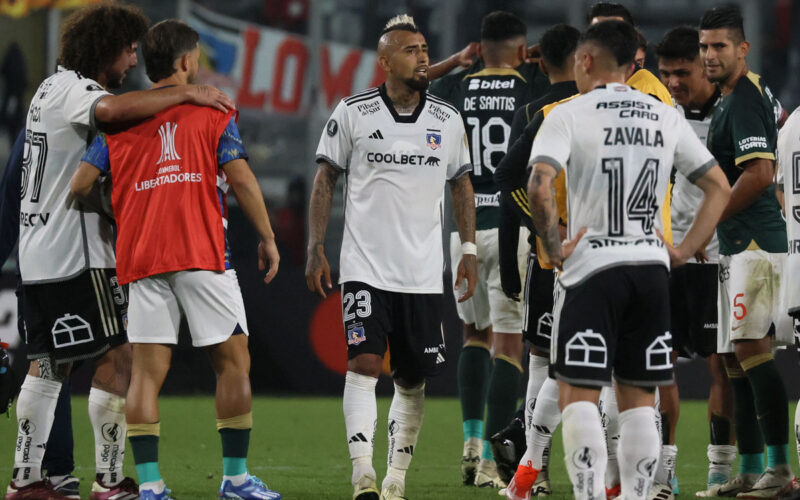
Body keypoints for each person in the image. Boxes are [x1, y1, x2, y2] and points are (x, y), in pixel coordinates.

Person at [6, 4, 235, 499]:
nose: (132, 61)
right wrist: (187, 92)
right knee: (120, 356)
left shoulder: (47, 87)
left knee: (48, 365)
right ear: (105, 48)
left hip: (39, 253)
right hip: (77, 252)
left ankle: (25, 480)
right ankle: (109, 481)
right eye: (128, 50)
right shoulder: (77, 91)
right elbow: (109, 113)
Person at [72, 20, 281, 500]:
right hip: (201, 252)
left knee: (146, 373)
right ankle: (235, 480)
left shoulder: (121, 120)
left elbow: (81, 185)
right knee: (232, 363)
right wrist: (268, 237)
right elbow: (243, 180)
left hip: (142, 256)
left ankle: (150, 487)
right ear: (187, 62)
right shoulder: (213, 111)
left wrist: (120, 207)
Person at [527, 20, 730, 500]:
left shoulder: (568, 113)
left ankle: (588, 493)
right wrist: (680, 250)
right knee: (640, 399)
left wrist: (554, 250)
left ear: (587, 60)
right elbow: (718, 186)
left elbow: (538, 184)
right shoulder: (664, 114)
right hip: (650, 271)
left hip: (593, 270)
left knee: (579, 393)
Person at [306, 14, 477, 500]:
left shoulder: (447, 120)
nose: (422, 56)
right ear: (384, 62)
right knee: (362, 363)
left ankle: (396, 478)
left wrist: (467, 249)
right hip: (365, 268)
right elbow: (325, 179)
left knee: (411, 376)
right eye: (410, 50)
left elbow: (462, 184)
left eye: (425, 48)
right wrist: (316, 247)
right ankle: (363, 473)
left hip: (423, 272)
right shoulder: (354, 112)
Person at [427, 11, 549, 489]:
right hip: (513, 224)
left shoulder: (455, 88)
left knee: (472, 335)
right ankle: (496, 465)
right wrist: (535, 60)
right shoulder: (532, 84)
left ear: (477, 48)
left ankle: (471, 444)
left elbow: (410, 81)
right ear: (522, 50)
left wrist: (452, 63)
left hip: (463, 231)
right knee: (509, 345)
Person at [699, 6, 794, 497]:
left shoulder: (743, 99)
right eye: (704, 46)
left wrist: (708, 223)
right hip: (738, 245)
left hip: (755, 245)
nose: (709, 56)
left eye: (719, 46)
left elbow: (759, 173)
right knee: (735, 357)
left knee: (751, 350)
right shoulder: (733, 96)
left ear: (743, 48)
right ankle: (754, 468)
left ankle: (779, 470)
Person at [491, 22, 580, 495]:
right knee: (567, 364)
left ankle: (536, 469)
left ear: (541, 60)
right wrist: (551, 231)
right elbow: (515, 181)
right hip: (564, 259)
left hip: (550, 260)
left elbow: (507, 186)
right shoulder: (545, 110)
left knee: (543, 361)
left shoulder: (539, 107)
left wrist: (522, 249)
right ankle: (539, 466)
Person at [655, 26, 738, 495]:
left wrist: (713, 229)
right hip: (669, 257)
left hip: (718, 258)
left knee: (722, 365)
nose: (673, 83)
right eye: (665, 74)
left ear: (704, 66)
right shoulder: (661, 113)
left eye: (682, 73)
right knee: (657, 364)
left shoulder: (734, 109)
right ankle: (664, 470)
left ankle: (720, 469)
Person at [0, 130, 81, 499]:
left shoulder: (35, 127)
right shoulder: (96, 115)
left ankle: (52, 473)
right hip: (58, 265)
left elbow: (6, 204)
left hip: (55, 262)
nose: (131, 66)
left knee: (53, 363)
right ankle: (50, 473)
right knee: (51, 363)